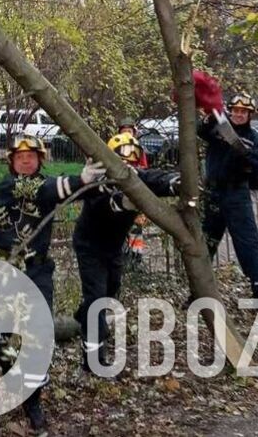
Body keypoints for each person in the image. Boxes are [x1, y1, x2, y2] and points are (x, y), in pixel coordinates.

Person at [0, 135, 99, 434]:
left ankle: (32, 401)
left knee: (37, 334)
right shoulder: (9, 186)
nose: (26, 160)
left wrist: (91, 179)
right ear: (11, 162)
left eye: (32, 156)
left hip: (37, 272)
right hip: (6, 272)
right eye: (20, 156)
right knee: (0, 338)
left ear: (40, 160)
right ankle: (1, 361)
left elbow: (64, 191)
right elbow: (45, 189)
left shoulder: (46, 187)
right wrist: (78, 179)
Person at [72, 130, 181, 372]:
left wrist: (175, 183)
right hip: (90, 246)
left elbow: (154, 178)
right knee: (97, 300)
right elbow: (105, 205)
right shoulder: (98, 184)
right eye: (122, 162)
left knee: (110, 293)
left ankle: (84, 314)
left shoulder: (135, 177)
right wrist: (124, 203)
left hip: (113, 247)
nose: (128, 168)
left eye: (132, 163)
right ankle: (92, 359)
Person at [200, 89, 258, 303]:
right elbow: (200, 130)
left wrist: (244, 153)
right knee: (206, 244)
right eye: (235, 110)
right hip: (213, 193)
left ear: (250, 115)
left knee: (247, 243)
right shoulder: (218, 128)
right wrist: (212, 114)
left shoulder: (257, 141)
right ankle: (198, 291)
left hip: (236, 195)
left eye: (243, 111)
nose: (239, 114)